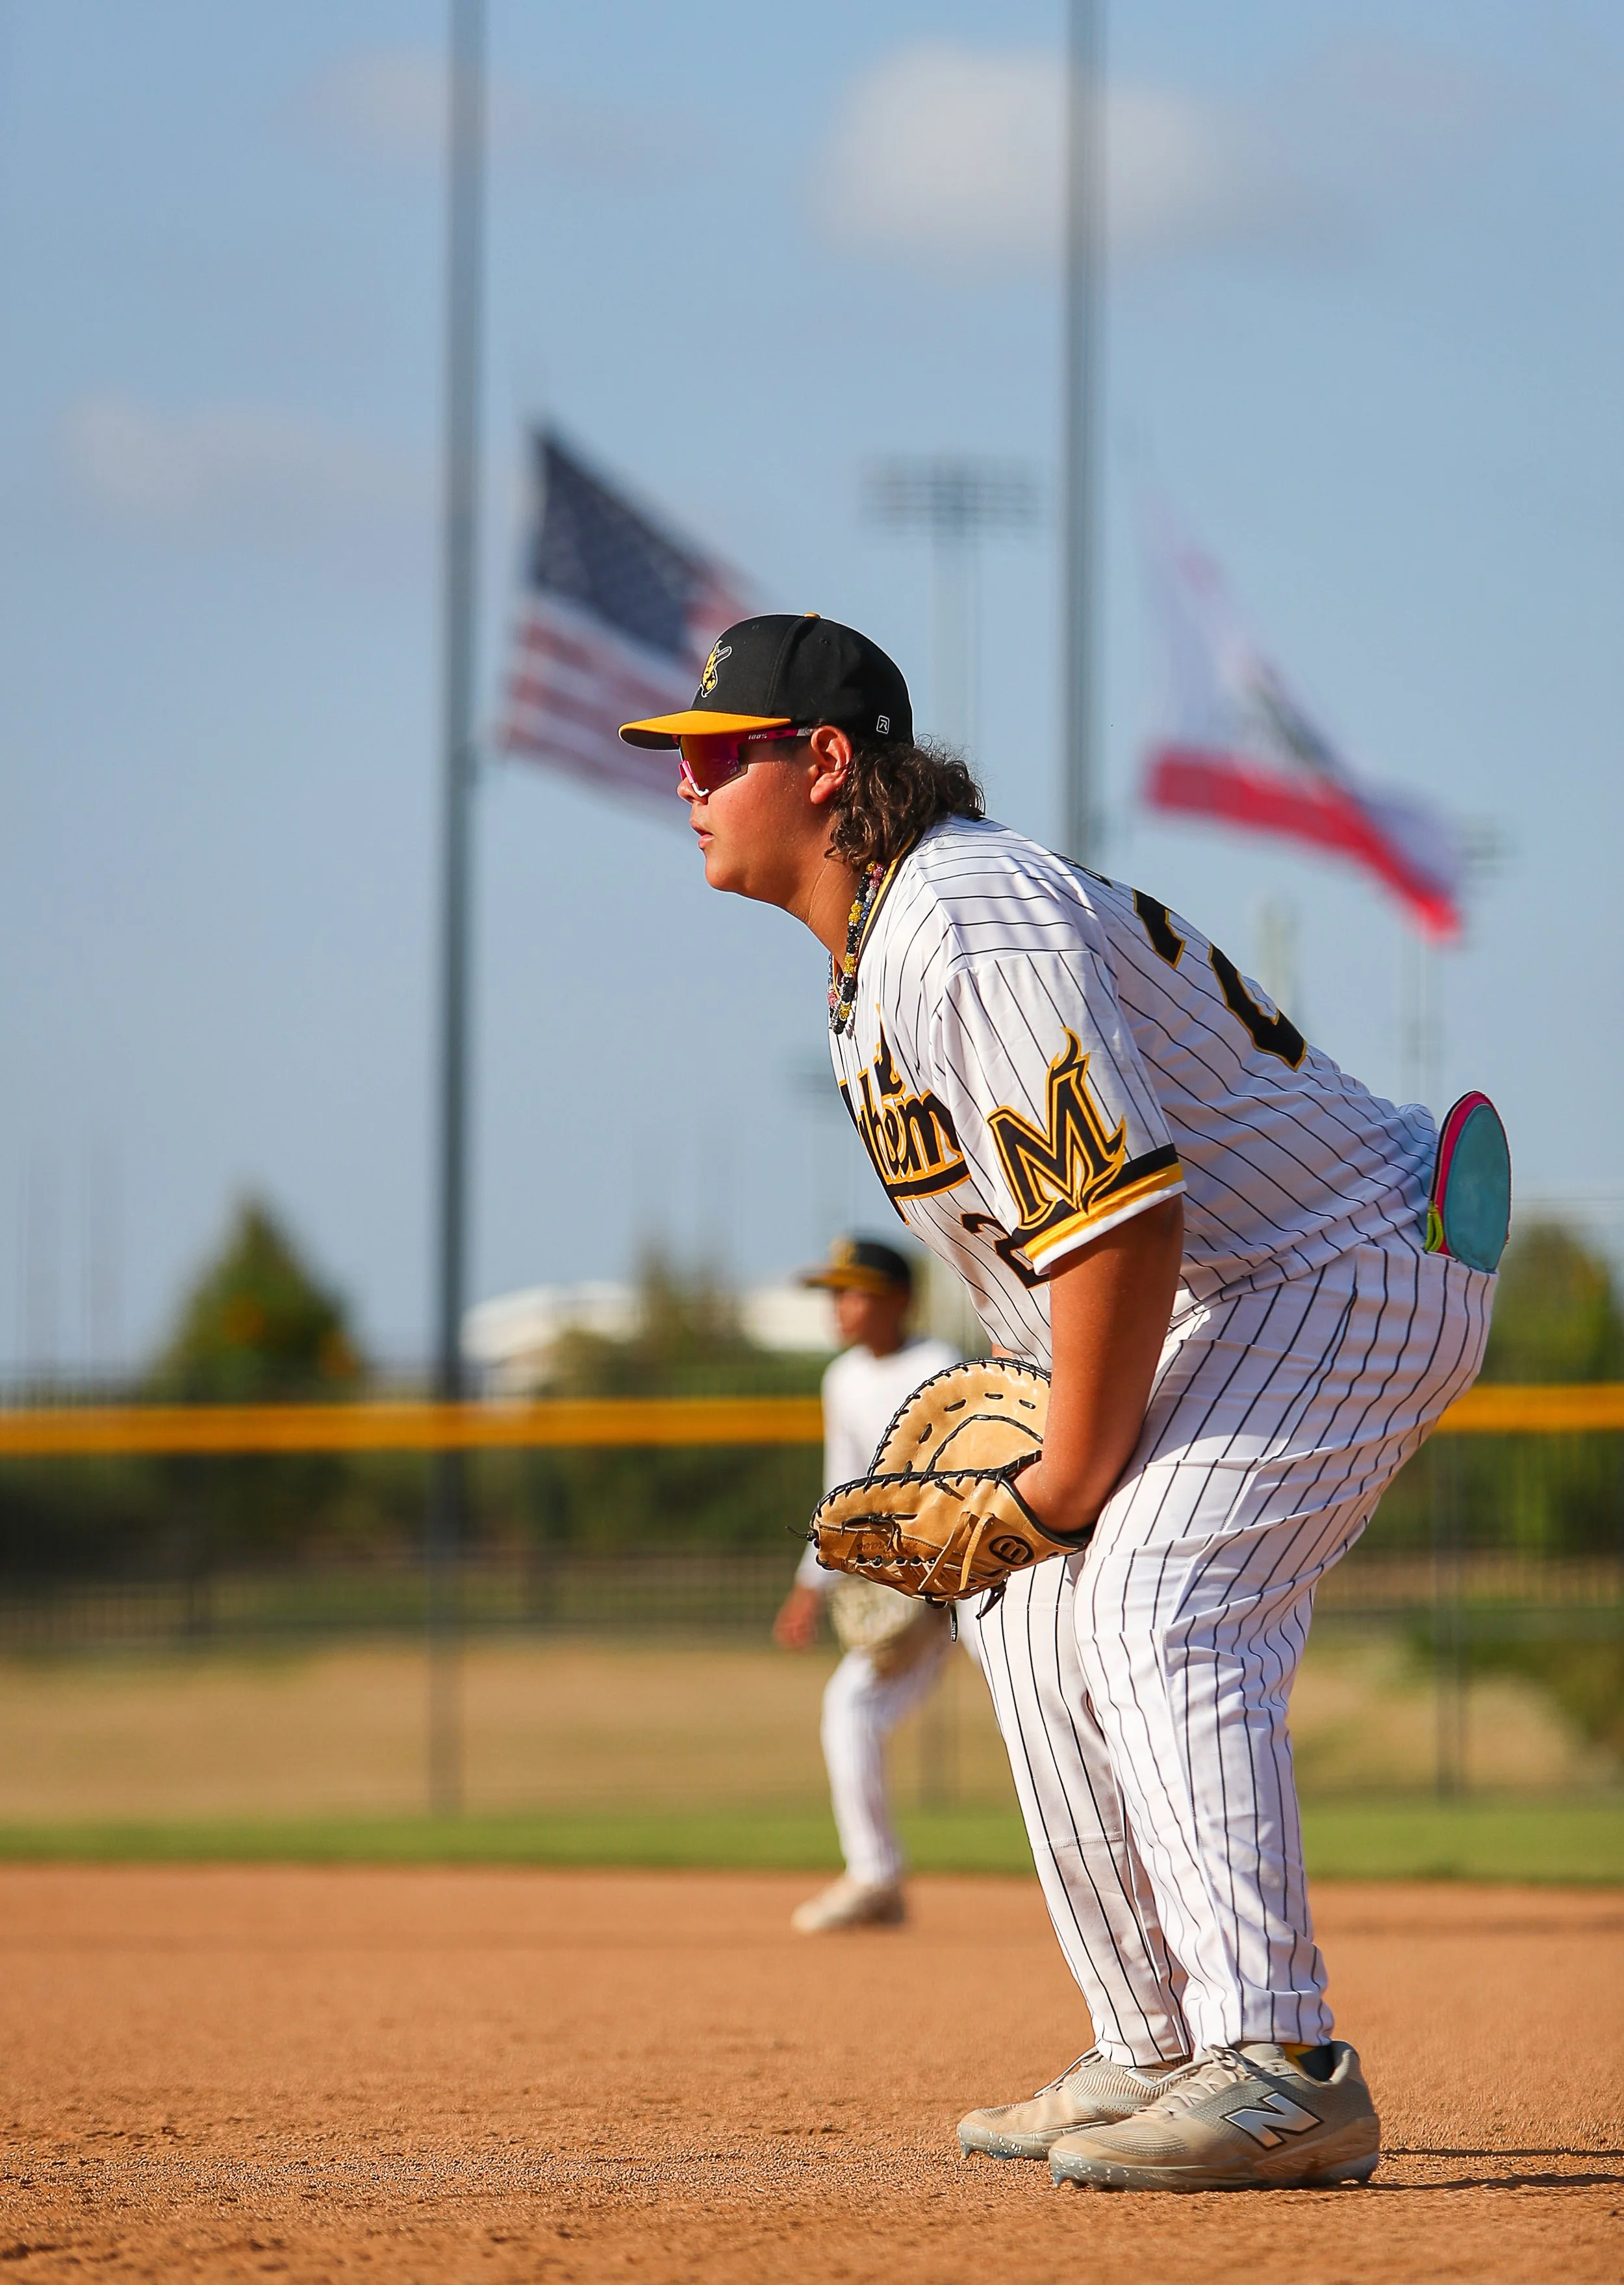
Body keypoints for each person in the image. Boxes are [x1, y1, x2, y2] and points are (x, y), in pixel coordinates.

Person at [620, 612, 1495, 2193]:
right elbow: (1055, 1246)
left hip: (1349, 1254)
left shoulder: (963, 915)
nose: (685, 781)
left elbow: (1126, 1213)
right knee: (1019, 1609)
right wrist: (1041, 1481)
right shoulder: (876, 953)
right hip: (1225, 1293)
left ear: (825, 764)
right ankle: (1156, 2040)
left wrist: (1070, 1475)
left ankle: (1283, 2064)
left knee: (1158, 1591)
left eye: (716, 751)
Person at [772, 1236, 959, 1935]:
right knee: (850, 1706)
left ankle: (1145, 1874)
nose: (840, 1306)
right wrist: (808, 1588)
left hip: (982, 1573)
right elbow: (843, 1492)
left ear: (901, 1299)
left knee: (1055, 1712)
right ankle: (875, 1877)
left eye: (854, 1292)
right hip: (903, 1581)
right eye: (835, 1292)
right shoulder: (842, 1379)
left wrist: (946, 1575)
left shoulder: (940, 1367)